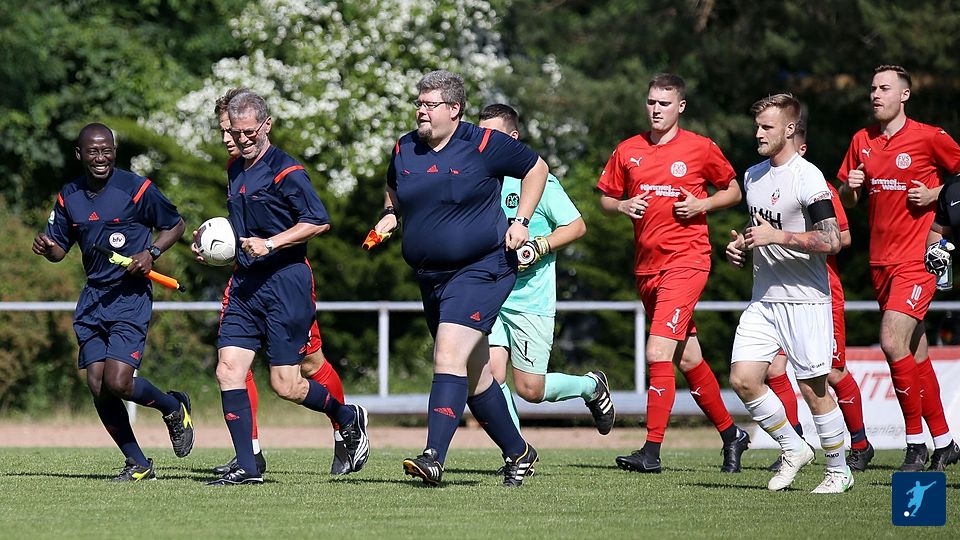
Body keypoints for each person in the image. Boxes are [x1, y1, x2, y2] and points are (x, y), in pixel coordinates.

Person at [373, 70, 548, 487]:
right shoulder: (404, 147)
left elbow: (537, 168)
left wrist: (522, 220)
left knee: (447, 356)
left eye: (429, 104)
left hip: (483, 267)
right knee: (475, 376)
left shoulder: (483, 143)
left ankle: (433, 457)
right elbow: (393, 186)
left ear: (454, 109)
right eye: (418, 103)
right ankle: (520, 453)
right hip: (431, 276)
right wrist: (391, 214)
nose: (421, 110)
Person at [199, 90, 368, 485]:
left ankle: (346, 416)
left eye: (248, 132)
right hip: (246, 284)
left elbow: (318, 221)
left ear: (267, 125)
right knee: (228, 369)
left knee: (286, 384)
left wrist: (272, 243)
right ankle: (247, 465)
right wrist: (212, 247)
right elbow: (244, 226)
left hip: (285, 283)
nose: (240, 139)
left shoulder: (287, 171)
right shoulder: (235, 169)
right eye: (234, 132)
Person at [597, 73, 750, 474]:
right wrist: (622, 205)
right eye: (651, 102)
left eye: (664, 103)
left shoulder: (700, 147)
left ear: (680, 106)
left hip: (686, 262)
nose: (656, 109)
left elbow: (733, 190)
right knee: (688, 358)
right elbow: (605, 199)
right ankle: (732, 434)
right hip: (646, 268)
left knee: (657, 352)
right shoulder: (628, 149)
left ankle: (651, 451)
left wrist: (703, 205)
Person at [33, 123, 193, 481]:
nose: (100, 157)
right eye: (93, 151)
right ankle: (138, 463)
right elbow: (59, 250)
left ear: (114, 152)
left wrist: (151, 253)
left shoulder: (137, 188)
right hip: (93, 299)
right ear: (80, 154)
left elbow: (176, 225)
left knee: (118, 382)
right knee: (97, 385)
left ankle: (173, 407)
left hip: (129, 297)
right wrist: (47, 248)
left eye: (106, 150)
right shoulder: (69, 195)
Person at [726, 93, 852, 493]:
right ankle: (793, 447)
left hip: (806, 300)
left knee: (814, 390)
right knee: (743, 379)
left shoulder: (808, 176)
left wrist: (777, 236)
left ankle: (839, 471)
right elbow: (761, 231)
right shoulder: (752, 176)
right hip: (764, 300)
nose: (758, 133)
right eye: (757, 126)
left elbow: (832, 240)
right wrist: (741, 246)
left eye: (767, 127)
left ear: (790, 129)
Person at [837, 64, 960, 472]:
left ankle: (915, 445)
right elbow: (846, 199)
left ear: (904, 95)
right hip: (880, 262)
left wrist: (937, 193)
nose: (876, 94)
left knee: (891, 342)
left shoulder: (930, 137)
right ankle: (945, 442)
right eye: (873, 88)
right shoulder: (862, 140)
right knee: (914, 352)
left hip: (919, 258)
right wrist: (850, 189)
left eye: (885, 88)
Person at [477, 104, 615, 465]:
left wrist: (539, 246)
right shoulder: (479, 179)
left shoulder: (537, 179)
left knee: (530, 389)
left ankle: (591, 386)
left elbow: (576, 226)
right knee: (490, 374)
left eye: (492, 135)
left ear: (513, 138)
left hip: (530, 299)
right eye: (480, 135)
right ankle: (517, 455)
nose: (484, 142)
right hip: (490, 293)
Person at [763, 114, 875, 473]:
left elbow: (843, 237)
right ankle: (794, 444)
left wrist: (792, 239)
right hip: (782, 293)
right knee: (773, 369)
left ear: (802, 148)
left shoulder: (817, 186)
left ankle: (860, 444)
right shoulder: (764, 183)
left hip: (821, 292)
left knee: (833, 373)